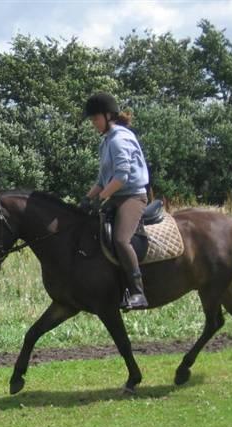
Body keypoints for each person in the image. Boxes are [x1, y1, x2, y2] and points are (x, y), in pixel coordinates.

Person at [80, 92, 149, 310]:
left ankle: (139, 292)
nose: (93, 124)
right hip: (115, 195)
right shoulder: (106, 142)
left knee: (120, 239)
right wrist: (86, 199)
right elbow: (102, 180)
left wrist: (101, 197)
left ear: (108, 115)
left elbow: (122, 177)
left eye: (95, 119)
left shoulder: (120, 139)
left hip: (132, 196)